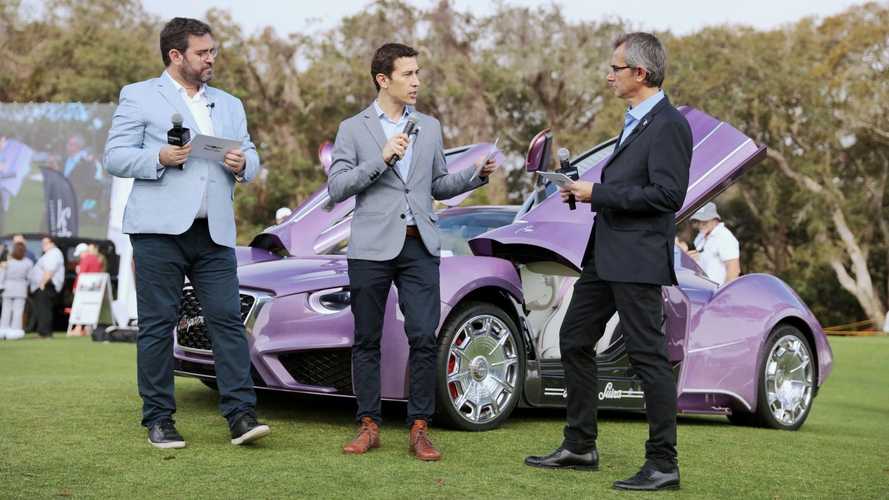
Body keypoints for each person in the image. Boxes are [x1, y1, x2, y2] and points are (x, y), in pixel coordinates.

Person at [525, 33, 691, 491]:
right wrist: (582, 190)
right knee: (574, 338)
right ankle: (580, 444)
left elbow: (668, 195)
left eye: (615, 68)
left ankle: (663, 464)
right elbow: (629, 186)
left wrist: (596, 192)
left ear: (640, 72)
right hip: (604, 256)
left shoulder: (669, 124)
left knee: (648, 358)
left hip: (638, 260)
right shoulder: (634, 121)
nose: (608, 75)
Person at [103, 17, 269, 449]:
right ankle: (159, 419)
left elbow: (251, 155)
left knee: (228, 322)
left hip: (214, 233)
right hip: (158, 232)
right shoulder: (139, 95)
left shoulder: (229, 104)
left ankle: (241, 415)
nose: (211, 58)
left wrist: (244, 164)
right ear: (176, 55)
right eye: (202, 52)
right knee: (158, 326)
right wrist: (158, 156)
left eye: (213, 51)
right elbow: (115, 157)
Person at [327, 42, 498, 461]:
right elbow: (338, 187)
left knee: (423, 335)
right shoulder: (353, 128)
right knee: (367, 338)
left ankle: (420, 427)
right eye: (408, 74)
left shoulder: (430, 127)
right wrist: (382, 159)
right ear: (383, 80)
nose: (417, 81)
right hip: (370, 247)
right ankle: (369, 424)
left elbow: (437, 184)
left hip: (420, 244)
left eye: (418, 73)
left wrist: (474, 176)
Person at [686, 202, 740, 285]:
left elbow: (734, 270)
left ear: (715, 219)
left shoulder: (724, 237)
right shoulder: (701, 236)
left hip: (717, 291)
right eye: (698, 221)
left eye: (704, 221)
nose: (700, 225)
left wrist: (723, 292)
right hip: (702, 288)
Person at [29, 236, 65, 339]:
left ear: (52, 243)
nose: (43, 245)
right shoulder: (49, 254)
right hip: (43, 285)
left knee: (44, 309)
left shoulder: (54, 253)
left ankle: (45, 333)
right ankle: (42, 332)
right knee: (41, 309)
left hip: (47, 285)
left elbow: (49, 270)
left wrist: (42, 283)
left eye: (45, 243)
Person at [68, 243, 105, 337]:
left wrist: (75, 287)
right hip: (94, 289)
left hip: (83, 288)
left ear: (83, 252)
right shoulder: (96, 259)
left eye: (80, 254)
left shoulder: (85, 259)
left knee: (79, 308)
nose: (79, 256)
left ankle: (78, 328)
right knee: (90, 308)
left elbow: (81, 275)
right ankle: (88, 329)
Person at [0, 242, 34, 340]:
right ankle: (15, 332)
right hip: (21, 289)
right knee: (18, 312)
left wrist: (1, 286)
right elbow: (30, 277)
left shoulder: (8, 262)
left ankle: (3, 330)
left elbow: (2, 275)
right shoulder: (28, 262)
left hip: (7, 288)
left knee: (6, 311)